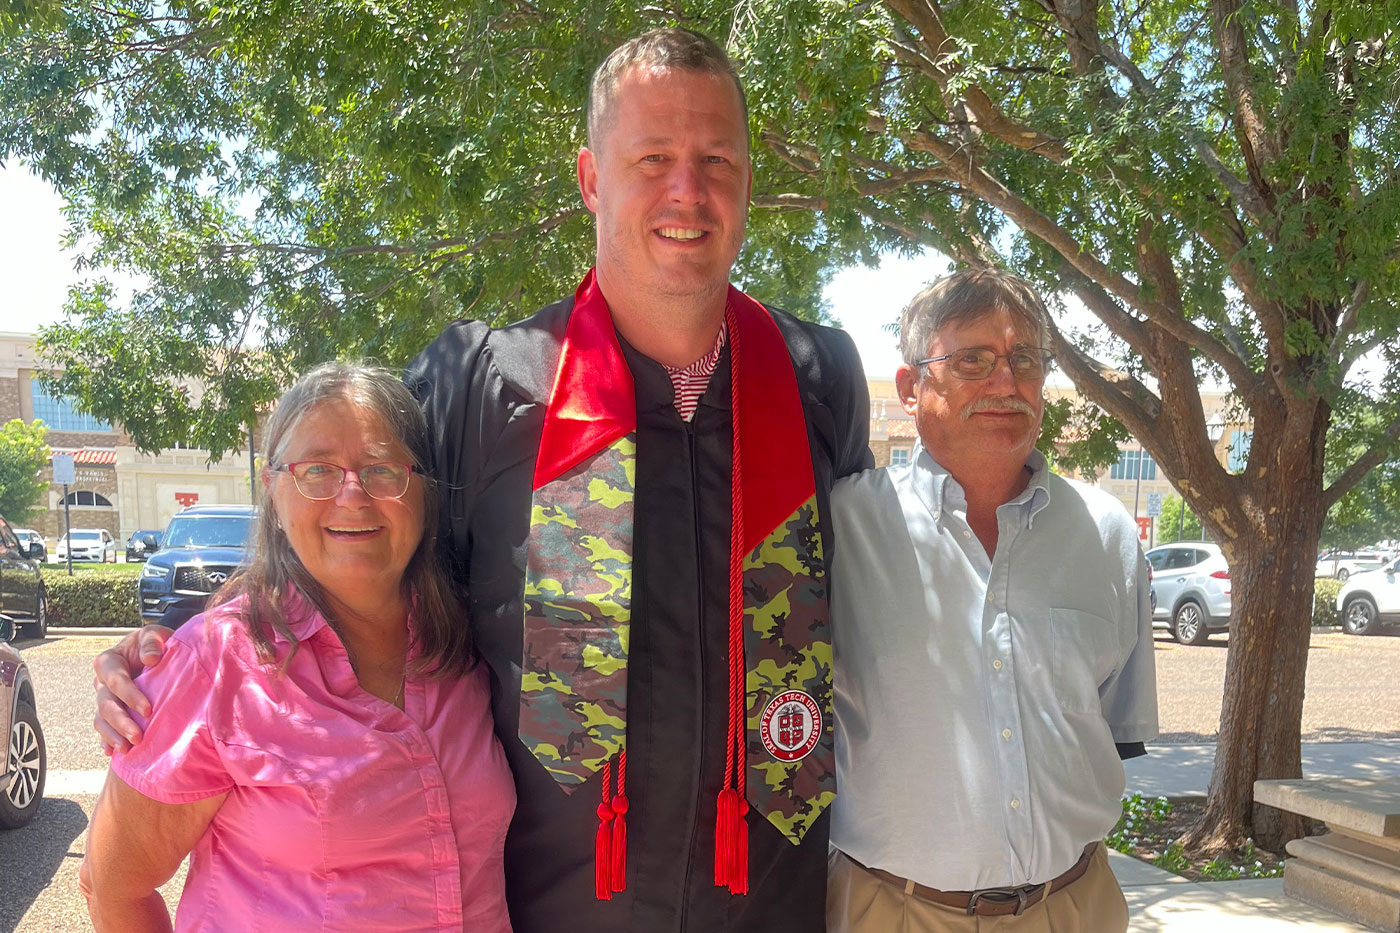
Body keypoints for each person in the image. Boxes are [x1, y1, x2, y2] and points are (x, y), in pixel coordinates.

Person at [94, 29, 871, 932]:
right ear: (589, 178)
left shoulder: (819, 379)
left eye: (716, 160)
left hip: (771, 908)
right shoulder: (487, 383)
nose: (686, 191)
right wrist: (181, 651)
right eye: (652, 158)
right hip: (555, 911)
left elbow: (880, 605)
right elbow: (352, 519)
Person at [80, 363, 515, 931]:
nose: (352, 494)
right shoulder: (214, 666)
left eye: (383, 469)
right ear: (273, 491)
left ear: (423, 490)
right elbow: (113, 885)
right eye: (317, 471)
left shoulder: (475, 641)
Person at [825, 269, 1158, 932]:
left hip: (1074, 907)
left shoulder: (1108, 536)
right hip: (892, 911)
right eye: (972, 359)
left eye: (1024, 359)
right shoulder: (839, 529)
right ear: (912, 387)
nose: (1005, 382)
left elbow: (1113, 728)